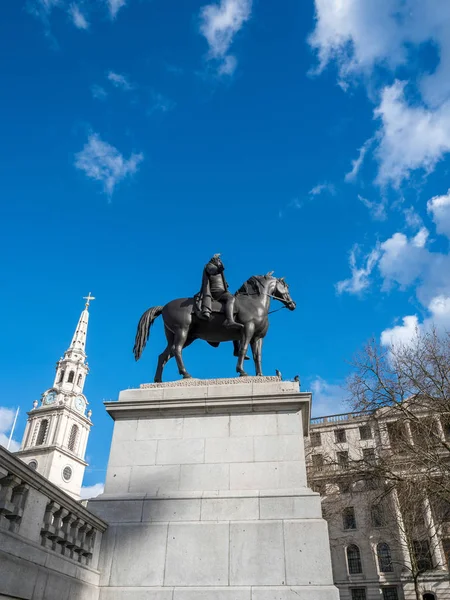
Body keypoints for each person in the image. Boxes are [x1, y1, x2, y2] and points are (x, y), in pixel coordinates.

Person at [198, 254, 243, 329]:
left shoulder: (217, 268)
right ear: (214, 260)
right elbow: (213, 271)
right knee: (231, 298)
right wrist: (219, 266)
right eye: (218, 260)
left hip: (221, 291)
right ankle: (230, 321)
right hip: (216, 292)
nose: (220, 261)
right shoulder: (209, 266)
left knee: (235, 299)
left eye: (220, 260)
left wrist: (225, 283)